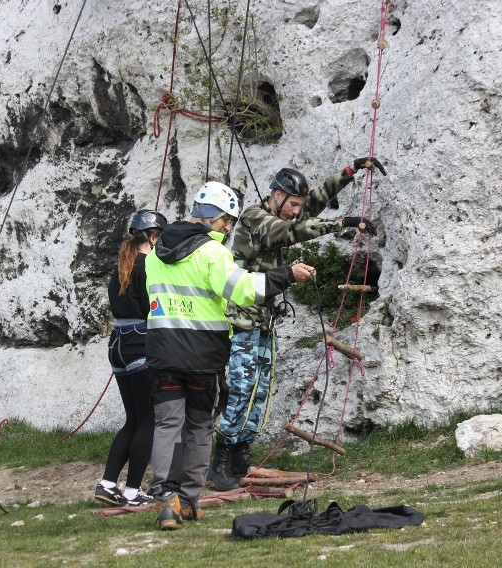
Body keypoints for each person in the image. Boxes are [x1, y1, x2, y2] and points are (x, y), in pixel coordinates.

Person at [145, 181, 315, 530]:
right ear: (215, 217)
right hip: (201, 356)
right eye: (226, 222)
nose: (227, 229)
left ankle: (166, 502)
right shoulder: (212, 253)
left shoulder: (155, 253)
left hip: (161, 353)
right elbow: (243, 289)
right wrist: (287, 274)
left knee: (166, 427)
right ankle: (190, 501)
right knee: (199, 427)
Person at [208, 158, 386, 490]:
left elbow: (315, 201)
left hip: (264, 322)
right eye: (291, 204)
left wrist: (350, 171)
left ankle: (241, 456)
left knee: (260, 391)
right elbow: (291, 232)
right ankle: (220, 460)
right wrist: (342, 223)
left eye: (297, 206)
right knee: (241, 389)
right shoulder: (255, 219)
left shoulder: (282, 213)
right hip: (241, 320)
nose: (295, 210)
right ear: (275, 195)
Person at [94, 210, 167, 507]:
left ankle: (107, 483)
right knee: (148, 420)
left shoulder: (121, 266)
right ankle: (132, 491)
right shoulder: (150, 265)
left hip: (118, 344)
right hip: (141, 342)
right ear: (152, 236)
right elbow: (157, 307)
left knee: (133, 419)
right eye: (158, 237)